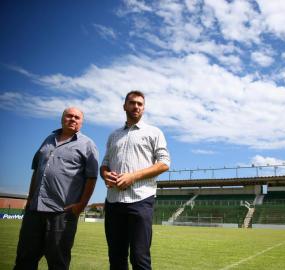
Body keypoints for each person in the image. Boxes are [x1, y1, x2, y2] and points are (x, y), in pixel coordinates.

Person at [14, 107, 99, 270]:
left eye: (77, 117)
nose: (73, 119)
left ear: (82, 122)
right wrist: (30, 199)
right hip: (35, 211)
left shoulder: (87, 144)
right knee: (24, 259)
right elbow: (36, 170)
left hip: (62, 213)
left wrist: (81, 205)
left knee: (57, 262)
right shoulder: (48, 139)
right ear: (62, 119)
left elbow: (92, 177)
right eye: (69, 116)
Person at [101, 90, 170, 270]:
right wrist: (105, 174)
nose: (136, 107)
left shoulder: (154, 132)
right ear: (125, 106)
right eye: (132, 103)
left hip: (141, 200)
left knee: (140, 258)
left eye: (140, 104)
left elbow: (164, 164)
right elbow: (105, 163)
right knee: (116, 258)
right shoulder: (114, 135)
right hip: (113, 201)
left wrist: (133, 176)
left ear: (144, 108)